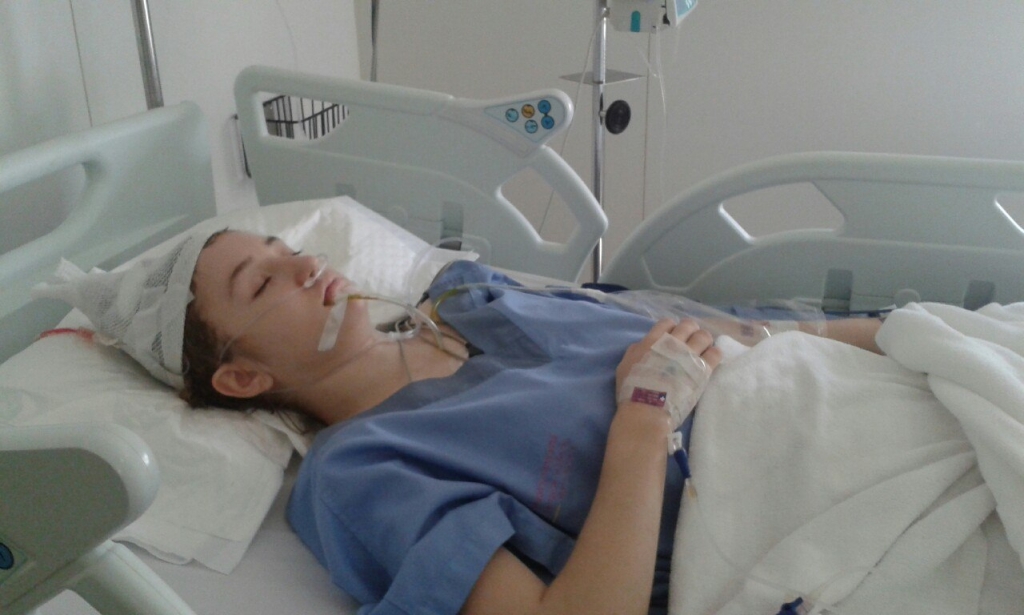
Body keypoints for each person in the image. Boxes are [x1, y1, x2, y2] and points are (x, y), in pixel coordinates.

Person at [36, 228, 884, 615]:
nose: (304, 265)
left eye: (282, 248)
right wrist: (643, 418)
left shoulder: (469, 300)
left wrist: (889, 335)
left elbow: (731, 336)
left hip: (843, 393)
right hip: (807, 518)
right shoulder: (360, 471)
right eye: (261, 283)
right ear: (244, 376)